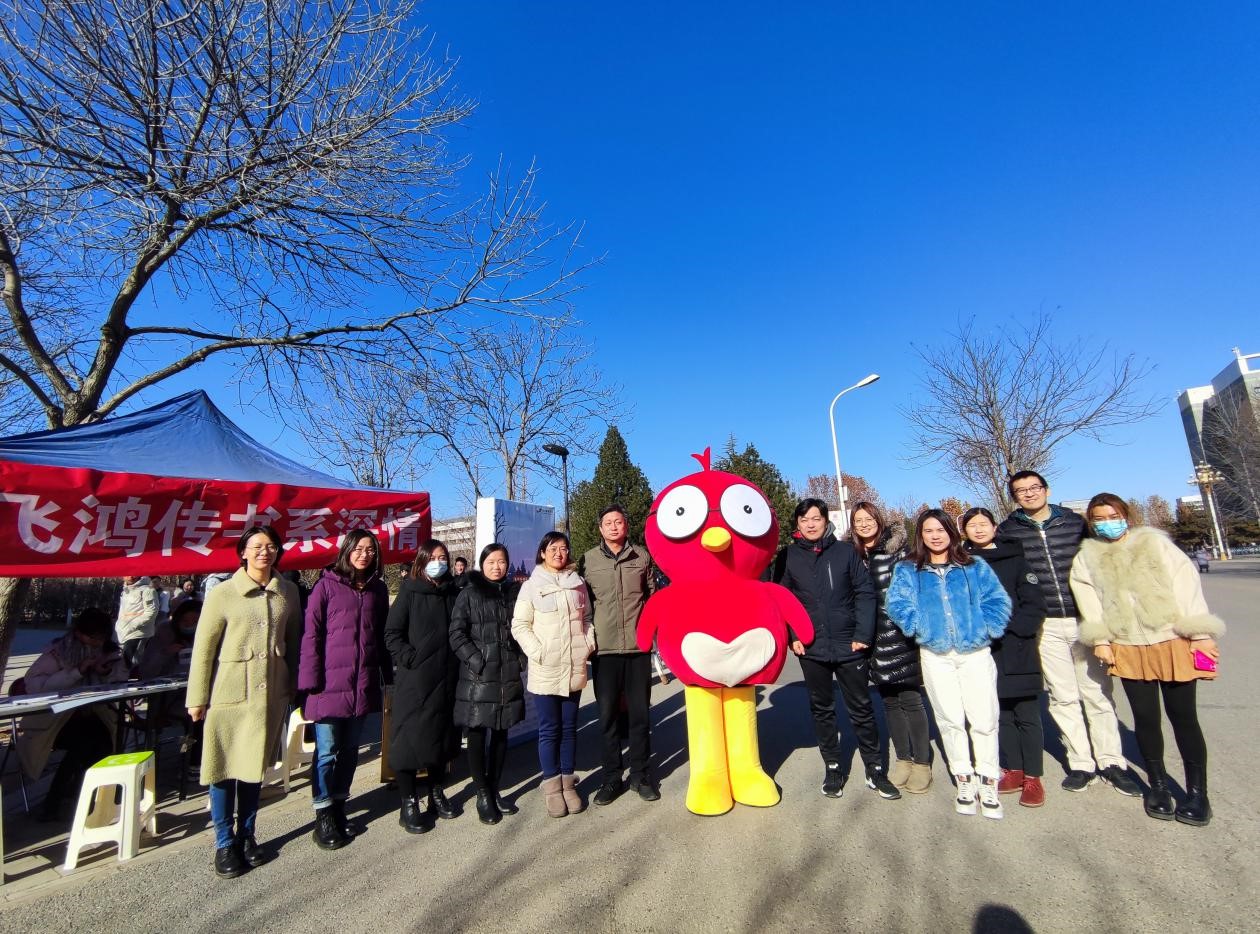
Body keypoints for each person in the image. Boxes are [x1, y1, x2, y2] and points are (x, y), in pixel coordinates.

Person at [1070, 494, 1225, 826]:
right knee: (1145, 718)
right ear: (1091, 523)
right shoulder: (1087, 558)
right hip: (1127, 644)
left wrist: (1200, 633)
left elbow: (1187, 585)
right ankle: (1157, 786)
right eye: (1098, 518)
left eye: (1112, 515)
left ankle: (1198, 794)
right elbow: (1089, 601)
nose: (1106, 522)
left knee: (1184, 718)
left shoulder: (1155, 544)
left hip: (1172, 638)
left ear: (1125, 515)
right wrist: (1101, 640)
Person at [996, 471, 1141, 797]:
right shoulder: (1009, 531)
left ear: (1046, 490)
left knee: (1097, 693)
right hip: (1045, 625)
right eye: (1021, 491)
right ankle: (1081, 763)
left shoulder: (1075, 524)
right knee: (1062, 696)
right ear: (1014, 497)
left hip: (1084, 619)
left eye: (1034, 488)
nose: (1029, 494)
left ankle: (1111, 761)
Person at [187, 525, 300, 878]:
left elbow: (294, 642)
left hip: (271, 695)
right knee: (222, 769)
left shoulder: (289, 592)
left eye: (270, 546)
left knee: (254, 770)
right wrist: (197, 698)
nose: (264, 552)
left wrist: (293, 687)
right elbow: (203, 650)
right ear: (243, 552)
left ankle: (247, 834)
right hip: (230, 693)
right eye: (257, 546)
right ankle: (223, 841)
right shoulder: (222, 593)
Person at [885, 509, 1012, 819]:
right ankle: (964, 779)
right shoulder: (908, 569)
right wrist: (920, 628)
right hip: (936, 654)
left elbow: (998, 600)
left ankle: (988, 780)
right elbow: (897, 604)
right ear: (921, 535)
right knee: (950, 720)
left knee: (984, 719)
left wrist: (988, 628)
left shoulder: (973, 565)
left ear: (951, 533)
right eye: (928, 531)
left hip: (975, 652)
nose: (935, 536)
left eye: (940, 530)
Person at [770, 498, 898, 800]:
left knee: (861, 709)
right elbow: (781, 600)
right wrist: (791, 635)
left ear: (826, 521)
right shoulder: (787, 557)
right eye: (804, 520)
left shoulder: (845, 552)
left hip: (849, 643)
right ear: (797, 524)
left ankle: (875, 769)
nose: (811, 524)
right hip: (811, 647)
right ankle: (833, 767)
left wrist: (862, 633)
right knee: (822, 709)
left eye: (816, 518)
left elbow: (865, 593)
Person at [298, 529, 390, 849]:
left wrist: (386, 676)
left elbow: (381, 638)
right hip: (327, 685)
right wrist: (309, 682)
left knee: (350, 750)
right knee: (326, 752)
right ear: (347, 550)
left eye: (370, 550)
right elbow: (311, 637)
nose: (365, 554)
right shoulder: (326, 587)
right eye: (359, 548)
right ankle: (322, 814)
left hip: (361, 684)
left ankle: (339, 806)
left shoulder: (378, 590)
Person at [961, 508, 1048, 808]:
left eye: (984, 524)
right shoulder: (963, 563)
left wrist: (1012, 628)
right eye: (972, 525)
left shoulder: (1016, 558)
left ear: (994, 527)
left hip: (1016, 645)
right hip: (982, 649)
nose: (979, 529)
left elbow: (1033, 602)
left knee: (1026, 712)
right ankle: (1013, 769)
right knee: (1000, 713)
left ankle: (1034, 778)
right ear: (965, 531)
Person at [850, 501, 932, 794]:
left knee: (911, 699)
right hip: (871, 640)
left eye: (868, 518)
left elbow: (915, 594)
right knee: (889, 703)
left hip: (900, 635)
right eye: (858, 520)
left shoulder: (899, 553)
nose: (864, 524)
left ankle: (922, 762)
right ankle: (903, 760)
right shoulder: (854, 556)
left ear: (878, 520)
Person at [579, 504, 658, 805]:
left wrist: (653, 635)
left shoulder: (642, 557)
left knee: (640, 715)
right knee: (607, 717)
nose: (613, 527)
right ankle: (612, 778)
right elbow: (581, 603)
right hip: (605, 651)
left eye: (618, 521)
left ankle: (641, 775)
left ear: (626, 525)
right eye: (608, 522)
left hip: (638, 649)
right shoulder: (588, 560)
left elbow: (652, 598)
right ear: (600, 528)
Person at [512, 531, 595, 818]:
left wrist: (588, 643)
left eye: (563, 548)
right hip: (546, 668)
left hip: (574, 664)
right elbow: (520, 625)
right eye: (553, 548)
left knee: (570, 728)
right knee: (550, 729)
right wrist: (539, 652)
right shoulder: (531, 586)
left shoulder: (578, 583)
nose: (559, 553)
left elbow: (586, 619)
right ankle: (551, 787)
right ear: (542, 553)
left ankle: (568, 782)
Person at [20, 607, 129, 822]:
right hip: (54, 719)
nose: (96, 643)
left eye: (101, 638)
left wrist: (106, 673)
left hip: (96, 714)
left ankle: (88, 800)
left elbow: (120, 683)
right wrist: (76, 671)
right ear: (79, 633)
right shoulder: (58, 652)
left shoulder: (111, 652)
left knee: (103, 740)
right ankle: (66, 800)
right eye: (92, 637)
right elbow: (35, 686)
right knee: (86, 744)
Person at [384, 538, 460, 833]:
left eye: (443, 556)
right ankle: (408, 801)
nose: (439, 561)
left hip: (447, 678)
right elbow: (392, 633)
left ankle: (436, 792)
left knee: (441, 739)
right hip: (416, 680)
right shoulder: (409, 590)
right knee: (408, 740)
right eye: (433, 557)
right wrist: (409, 658)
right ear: (422, 561)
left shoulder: (453, 591)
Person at [449, 543, 527, 824]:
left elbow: (522, 628)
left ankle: (495, 790)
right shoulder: (468, 594)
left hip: (507, 676)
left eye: (502, 561)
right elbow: (456, 633)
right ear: (482, 564)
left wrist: (520, 658)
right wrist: (476, 660)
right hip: (479, 678)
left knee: (502, 734)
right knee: (479, 735)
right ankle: (482, 793)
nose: (498, 566)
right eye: (492, 561)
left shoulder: (513, 594)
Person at [115, 575, 159, 668]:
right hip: (124, 633)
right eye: (127, 574)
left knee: (134, 665)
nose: (130, 577)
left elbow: (151, 612)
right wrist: (119, 626)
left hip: (139, 634)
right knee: (123, 664)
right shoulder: (125, 591)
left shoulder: (148, 590)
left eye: (134, 574)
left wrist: (132, 625)